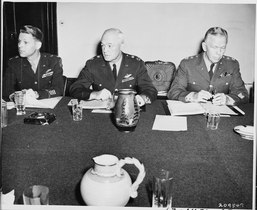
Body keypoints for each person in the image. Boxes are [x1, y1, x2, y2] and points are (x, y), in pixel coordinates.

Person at [69, 28, 157, 106]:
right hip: (101, 115)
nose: (105, 50)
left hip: (128, 111)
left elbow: (150, 89)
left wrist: (142, 98)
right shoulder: (93, 64)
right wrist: (95, 94)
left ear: (121, 45)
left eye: (109, 46)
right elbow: (75, 89)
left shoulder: (136, 64)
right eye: (103, 45)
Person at [167, 27, 248, 105]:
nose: (219, 52)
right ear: (204, 47)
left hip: (220, 116)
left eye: (223, 48)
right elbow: (173, 92)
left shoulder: (231, 65)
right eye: (215, 47)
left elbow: (242, 94)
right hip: (193, 115)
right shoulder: (187, 64)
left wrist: (227, 99)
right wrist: (193, 96)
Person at [3, 25, 64, 101]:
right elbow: (6, 90)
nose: (20, 45)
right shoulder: (14, 63)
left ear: (38, 45)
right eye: (19, 41)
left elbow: (58, 89)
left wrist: (37, 94)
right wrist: (17, 97)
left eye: (25, 42)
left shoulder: (53, 61)